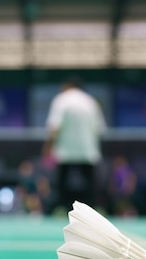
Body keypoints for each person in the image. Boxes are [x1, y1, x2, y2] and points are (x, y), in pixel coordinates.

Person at [42, 77, 106, 212]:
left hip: (65, 150)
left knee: (62, 182)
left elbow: (54, 127)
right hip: (87, 150)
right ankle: (94, 210)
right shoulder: (90, 102)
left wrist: (48, 147)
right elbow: (99, 129)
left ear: (67, 86)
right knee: (91, 182)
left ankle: (62, 208)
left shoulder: (61, 100)